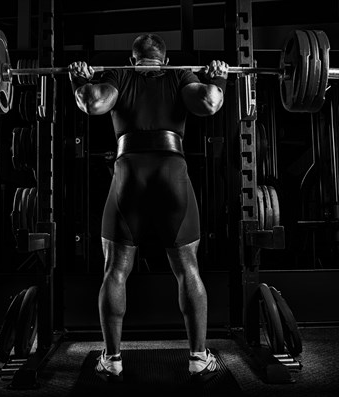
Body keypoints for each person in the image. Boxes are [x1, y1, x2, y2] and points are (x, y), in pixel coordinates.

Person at [68, 33, 228, 380]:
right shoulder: (180, 75)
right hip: (172, 174)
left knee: (115, 270)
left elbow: (93, 103)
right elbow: (210, 103)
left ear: (132, 59)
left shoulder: (119, 76)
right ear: (165, 60)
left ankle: (112, 361)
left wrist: (80, 78)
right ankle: (198, 359)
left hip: (129, 176)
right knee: (188, 269)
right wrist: (218, 75)